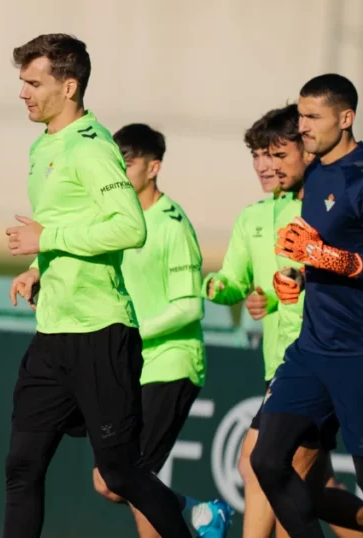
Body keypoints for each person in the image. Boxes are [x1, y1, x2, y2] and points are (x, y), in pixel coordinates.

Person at [2, 33, 193, 538]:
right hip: (53, 333)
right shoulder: (42, 145)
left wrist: (49, 236)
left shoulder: (92, 147)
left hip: (100, 333)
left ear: (69, 86)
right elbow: (71, 224)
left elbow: (130, 226)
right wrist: (39, 267)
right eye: (21, 81)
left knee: (121, 472)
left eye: (33, 82)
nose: (23, 92)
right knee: (22, 466)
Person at [207, 105, 363, 538]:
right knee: (305, 483)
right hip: (290, 363)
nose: (267, 165)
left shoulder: (345, 196)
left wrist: (325, 262)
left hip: (342, 356)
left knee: (263, 467)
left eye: (278, 154)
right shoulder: (259, 215)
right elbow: (242, 280)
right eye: (259, 155)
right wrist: (251, 289)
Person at [87, 123, 234, 538]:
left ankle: (199, 513)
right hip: (130, 365)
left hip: (171, 363)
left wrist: (135, 331)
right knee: (114, 480)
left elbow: (190, 306)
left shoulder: (172, 225)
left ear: (154, 168)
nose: (119, 171)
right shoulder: (117, 219)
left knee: (132, 479)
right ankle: (200, 510)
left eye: (127, 163)